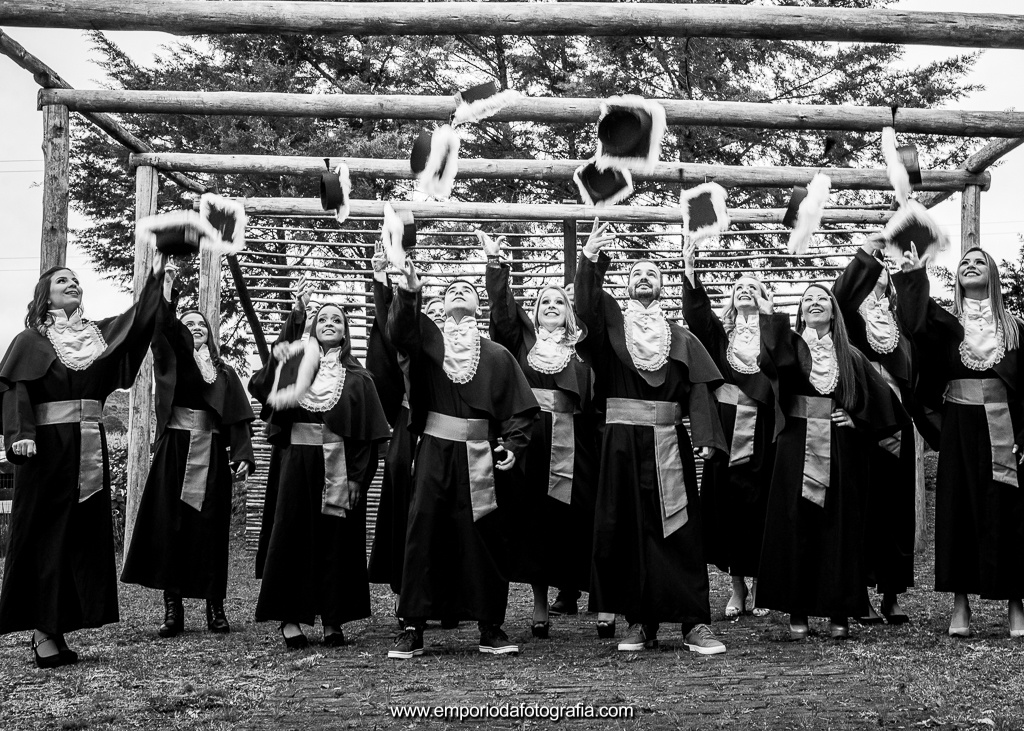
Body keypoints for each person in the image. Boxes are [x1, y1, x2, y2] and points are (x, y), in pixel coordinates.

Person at [0, 252, 169, 667]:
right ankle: (42, 631)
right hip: (46, 451)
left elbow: (135, 324)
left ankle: (58, 625)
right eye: (62, 280)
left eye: (75, 280)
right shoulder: (30, 342)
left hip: (90, 448)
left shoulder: (98, 336)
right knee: (46, 536)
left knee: (79, 538)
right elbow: (15, 390)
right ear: (45, 296)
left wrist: (156, 277)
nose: (72, 283)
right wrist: (20, 435)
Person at [573, 220, 729, 655]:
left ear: (662, 287)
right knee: (626, 530)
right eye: (636, 273)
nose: (644, 277)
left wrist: (705, 434)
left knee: (680, 528)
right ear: (626, 286)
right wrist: (589, 259)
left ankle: (694, 623)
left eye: (652, 273)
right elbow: (586, 308)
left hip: (668, 443)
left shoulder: (680, 337)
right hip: (620, 446)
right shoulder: (610, 332)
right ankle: (641, 622)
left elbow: (699, 388)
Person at [386, 259, 539, 659]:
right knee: (423, 532)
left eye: (468, 290)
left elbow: (523, 409)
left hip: (480, 455)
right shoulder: (425, 345)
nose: (459, 291)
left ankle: (490, 626)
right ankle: (413, 627)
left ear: (479, 306)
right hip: (434, 451)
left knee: (484, 537)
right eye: (451, 289)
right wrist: (409, 290)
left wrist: (514, 445)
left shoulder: (498, 355)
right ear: (439, 304)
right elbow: (399, 331)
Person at [756, 284, 908, 641]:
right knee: (796, 524)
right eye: (807, 299)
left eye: (821, 298)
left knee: (840, 527)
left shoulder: (850, 355)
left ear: (834, 310)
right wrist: (769, 317)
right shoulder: (791, 347)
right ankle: (798, 610)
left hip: (841, 448)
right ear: (800, 312)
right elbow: (773, 363)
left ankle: (839, 609)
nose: (814, 302)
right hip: (795, 446)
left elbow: (884, 403)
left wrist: (857, 419)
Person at [894, 245, 1024, 638]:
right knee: (957, 512)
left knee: (1007, 514)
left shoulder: (1015, 328)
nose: (970, 265)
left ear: (993, 275)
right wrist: (914, 274)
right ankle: (960, 604)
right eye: (964, 262)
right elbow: (914, 323)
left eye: (979, 261)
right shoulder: (947, 326)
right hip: (959, 426)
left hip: (1004, 428)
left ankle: (1016, 603)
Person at [480, 231, 605, 638]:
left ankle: (600, 601)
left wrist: (588, 261)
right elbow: (502, 314)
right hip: (530, 442)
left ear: (570, 312)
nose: (552, 305)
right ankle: (539, 604)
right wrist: (496, 265)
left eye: (559, 302)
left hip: (576, 442)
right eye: (544, 302)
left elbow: (590, 305)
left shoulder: (584, 348)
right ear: (535, 313)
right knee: (532, 521)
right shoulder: (522, 343)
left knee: (583, 517)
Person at [121, 265, 255, 637]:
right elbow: (164, 329)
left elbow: (238, 417)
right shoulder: (173, 359)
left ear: (210, 335)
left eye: (202, 325)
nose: (195, 327)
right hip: (174, 452)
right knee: (171, 528)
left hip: (211, 453)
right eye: (189, 323)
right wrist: (167, 292)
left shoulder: (224, 372)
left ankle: (215, 608)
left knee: (211, 530)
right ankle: (173, 610)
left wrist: (242, 453)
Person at [249, 300, 390, 648]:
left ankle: (332, 618)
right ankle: (290, 618)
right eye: (322, 319)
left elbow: (367, 437)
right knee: (292, 535)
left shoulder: (359, 379)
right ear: (312, 329)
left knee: (336, 539)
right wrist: (295, 320)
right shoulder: (294, 368)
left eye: (336, 320)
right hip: (296, 463)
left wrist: (357, 478)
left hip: (339, 464)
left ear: (345, 332)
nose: (329, 323)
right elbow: (264, 382)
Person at [682, 240, 791, 619]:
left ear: (764, 298)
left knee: (761, 504)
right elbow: (697, 316)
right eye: (738, 287)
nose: (745, 290)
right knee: (728, 507)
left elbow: (786, 365)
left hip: (763, 431)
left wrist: (768, 319)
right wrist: (691, 273)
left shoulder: (775, 335)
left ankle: (760, 583)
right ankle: (737, 586)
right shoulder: (720, 337)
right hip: (726, 431)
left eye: (753, 287)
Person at [832, 237, 921, 625]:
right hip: (860, 423)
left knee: (895, 509)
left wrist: (912, 274)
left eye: (885, 269)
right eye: (874, 268)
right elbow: (840, 294)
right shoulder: (849, 319)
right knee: (861, 508)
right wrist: (868, 253)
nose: (880, 271)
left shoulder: (899, 325)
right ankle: (860, 594)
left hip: (898, 426)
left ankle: (891, 594)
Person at [366, 254, 417, 622]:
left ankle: (445, 593)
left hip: (447, 432)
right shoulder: (404, 346)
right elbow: (387, 332)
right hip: (407, 425)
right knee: (403, 502)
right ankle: (404, 590)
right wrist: (381, 280)